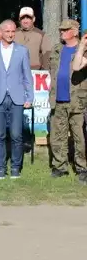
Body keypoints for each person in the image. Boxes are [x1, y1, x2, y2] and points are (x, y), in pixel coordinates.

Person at [0, 20, 34, 179]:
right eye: (7, 31)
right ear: (1, 32)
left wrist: (30, 96)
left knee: (16, 135)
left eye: (13, 31)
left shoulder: (22, 51)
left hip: (17, 97)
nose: (11, 34)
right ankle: (1, 168)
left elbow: (27, 76)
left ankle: (15, 167)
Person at [47, 19, 87, 181]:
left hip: (77, 100)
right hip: (58, 99)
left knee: (79, 137)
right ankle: (60, 166)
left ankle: (82, 168)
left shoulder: (83, 50)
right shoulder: (57, 50)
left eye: (65, 30)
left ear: (75, 31)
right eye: (60, 30)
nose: (61, 32)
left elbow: (77, 67)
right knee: (57, 135)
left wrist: (82, 46)